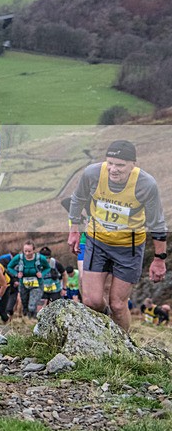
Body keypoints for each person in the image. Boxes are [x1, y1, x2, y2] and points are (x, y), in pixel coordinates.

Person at [67, 140, 168, 332]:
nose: (114, 169)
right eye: (110, 163)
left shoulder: (146, 185)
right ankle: (107, 328)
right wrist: (73, 231)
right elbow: (77, 199)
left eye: (120, 165)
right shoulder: (92, 174)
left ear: (133, 164)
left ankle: (123, 348)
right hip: (97, 242)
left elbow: (157, 223)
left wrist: (159, 259)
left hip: (128, 248)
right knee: (91, 300)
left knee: (119, 305)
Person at [6, 240, 51, 319]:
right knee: (25, 304)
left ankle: (33, 319)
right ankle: (28, 320)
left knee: (32, 305)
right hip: (23, 284)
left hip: (37, 285)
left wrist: (42, 274)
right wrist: (16, 274)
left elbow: (47, 268)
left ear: (34, 250)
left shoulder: (40, 258)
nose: (27, 253)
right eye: (25, 251)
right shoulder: (19, 258)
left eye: (29, 251)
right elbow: (9, 267)